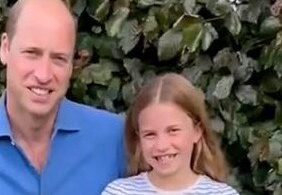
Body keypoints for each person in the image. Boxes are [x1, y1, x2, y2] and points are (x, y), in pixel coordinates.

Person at [0, 0, 125, 195]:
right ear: (5, 48)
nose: (43, 75)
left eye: (59, 58)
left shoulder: (116, 139)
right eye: (32, 53)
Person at [101, 73, 239, 195]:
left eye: (173, 131)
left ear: (197, 131)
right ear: (138, 139)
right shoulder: (119, 192)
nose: (161, 146)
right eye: (150, 134)